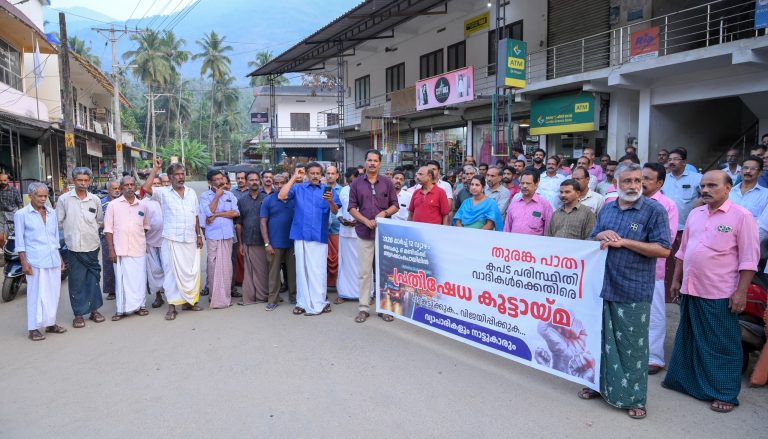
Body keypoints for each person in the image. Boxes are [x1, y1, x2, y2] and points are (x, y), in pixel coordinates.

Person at [581, 163, 671, 420]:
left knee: (632, 346)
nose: (633, 186)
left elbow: (664, 249)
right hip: (603, 285)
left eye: (638, 180)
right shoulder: (607, 208)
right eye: (628, 181)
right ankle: (599, 386)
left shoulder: (654, 210)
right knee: (600, 340)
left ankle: (634, 398)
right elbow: (592, 239)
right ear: (616, 183)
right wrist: (601, 236)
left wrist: (625, 242)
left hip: (633, 286)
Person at [664, 170, 759, 414]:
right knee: (689, 339)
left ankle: (724, 393)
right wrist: (676, 279)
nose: (705, 190)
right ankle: (687, 383)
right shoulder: (695, 214)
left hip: (720, 292)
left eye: (712, 186)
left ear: (728, 188)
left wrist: (741, 292)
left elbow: (749, 260)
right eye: (703, 186)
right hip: (690, 288)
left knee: (722, 344)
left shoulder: (742, 217)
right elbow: (683, 252)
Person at [142, 159, 204, 321]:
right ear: (170, 177)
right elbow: (146, 188)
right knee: (171, 274)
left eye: (182, 174)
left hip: (190, 239)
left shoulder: (191, 193)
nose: (180, 177)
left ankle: (189, 302)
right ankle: (172, 307)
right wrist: (155, 169)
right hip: (171, 240)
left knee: (191, 272)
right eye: (177, 174)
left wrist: (199, 235)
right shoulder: (163, 193)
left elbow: (195, 215)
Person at [278, 162, 340, 316]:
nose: (315, 176)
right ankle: (302, 302)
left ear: (322, 175)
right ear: (306, 174)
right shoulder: (299, 188)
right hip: (301, 235)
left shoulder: (328, 190)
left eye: (318, 173)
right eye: (311, 173)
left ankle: (320, 302)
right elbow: (281, 195)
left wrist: (331, 200)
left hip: (319, 235)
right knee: (302, 270)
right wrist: (294, 177)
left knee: (318, 271)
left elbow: (335, 210)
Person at [348, 150, 399, 323]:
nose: (372, 163)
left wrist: (384, 214)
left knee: (384, 273)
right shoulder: (356, 183)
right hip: (364, 233)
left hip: (384, 234)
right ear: (365, 162)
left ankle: (384, 307)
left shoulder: (387, 183)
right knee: (364, 273)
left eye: (375, 161)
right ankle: (363, 308)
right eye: (369, 160)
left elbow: (395, 205)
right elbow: (352, 208)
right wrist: (364, 220)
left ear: (380, 163)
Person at [15, 182, 66, 341]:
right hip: (35, 260)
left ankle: (50, 323)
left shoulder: (51, 212)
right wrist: (24, 262)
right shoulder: (21, 214)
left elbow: (55, 238)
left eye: (45, 196)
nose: (43, 199)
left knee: (53, 293)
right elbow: (20, 241)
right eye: (40, 196)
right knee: (36, 295)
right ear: (30, 196)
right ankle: (33, 328)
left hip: (53, 258)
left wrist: (60, 257)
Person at [641, 163, 679, 375]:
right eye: (640, 177)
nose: (642, 182)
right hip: (627, 268)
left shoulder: (667, 205)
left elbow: (667, 240)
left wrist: (633, 243)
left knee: (654, 313)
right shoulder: (632, 200)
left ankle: (654, 357)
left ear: (660, 182)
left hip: (653, 268)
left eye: (647, 178)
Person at [56, 167, 105, 328]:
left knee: (93, 279)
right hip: (73, 247)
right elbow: (59, 222)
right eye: (79, 180)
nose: (83, 183)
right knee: (76, 282)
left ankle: (94, 310)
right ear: (73, 180)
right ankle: (78, 314)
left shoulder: (95, 200)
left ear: (90, 181)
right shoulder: (64, 199)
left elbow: (99, 221)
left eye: (86, 180)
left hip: (92, 246)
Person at [104, 176, 150, 321]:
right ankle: (121, 309)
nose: (130, 187)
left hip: (139, 248)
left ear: (135, 187)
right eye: (126, 185)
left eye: (132, 185)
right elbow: (108, 229)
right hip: (120, 250)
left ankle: (140, 306)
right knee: (122, 281)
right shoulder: (113, 205)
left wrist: (135, 235)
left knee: (139, 279)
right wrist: (111, 250)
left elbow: (146, 227)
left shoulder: (143, 206)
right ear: (122, 187)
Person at [199, 170, 240, 309]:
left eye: (221, 179)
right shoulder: (205, 196)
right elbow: (208, 212)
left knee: (226, 266)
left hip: (227, 234)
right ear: (210, 182)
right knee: (213, 265)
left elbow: (235, 212)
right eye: (216, 179)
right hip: (213, 236)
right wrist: (217, 197)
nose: (220, 181)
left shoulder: (230, 195)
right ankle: (214, 296)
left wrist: (217, 215)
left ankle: (225, 297)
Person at [260, 174, 296, 310]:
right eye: (276, 183)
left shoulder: (294, 199)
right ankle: (273, 300)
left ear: (287, 183)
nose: (279, 186)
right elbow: (263, 223)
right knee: (274, 274)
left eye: (282, 183)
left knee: (293, 272)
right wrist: (267, 243)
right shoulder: (268, 200)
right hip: (274, 244)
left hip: (292, 242)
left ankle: (294, 297)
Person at [233, 171, 268, 306]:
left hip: (263, 240)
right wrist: (241, 243)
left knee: (263, 270)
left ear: (259, 182)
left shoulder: (266, 198)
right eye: (251, 180)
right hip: (248, 239)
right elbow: (239, 224)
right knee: (249, 271)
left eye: (256, 180)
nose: (254, 182)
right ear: (247, 183)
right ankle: (250, 297)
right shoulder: (242, 201)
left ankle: (263, 296)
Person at [337, 167, 367, 304]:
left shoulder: (366, 189)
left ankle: (367, 294)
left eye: (353, 181)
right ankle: (344, 293)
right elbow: (339, 211)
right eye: (349, 182)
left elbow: (371, 211)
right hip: (345, 233)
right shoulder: (343, 191)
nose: (351, 184)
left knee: (363, 264)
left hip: (362, 232)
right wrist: (342, 220)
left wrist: (360, 220)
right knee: (345, 264)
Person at [504, 170, 553, 235]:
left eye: (528, 183)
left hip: (535, 244)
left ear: (536, 185)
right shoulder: (514, 204)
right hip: (514, 243)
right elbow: (507, 227)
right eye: (522, 183)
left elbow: (548, 230)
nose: (524, 186)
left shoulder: (545, 205)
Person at [143, 176, 165, 309]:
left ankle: (173, 297)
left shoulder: (166, 199)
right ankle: (158, 296)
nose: (155, 186)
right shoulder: (143, 203)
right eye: (153, 184)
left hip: (166, 242)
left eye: (158, 184)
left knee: (169, 270)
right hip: (150, 242)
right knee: (154, 271)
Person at [100, 180, 121, 301]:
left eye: (118, 188)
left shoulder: (125, 201)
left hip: (122, 237)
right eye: (114, 188)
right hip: (106, 236)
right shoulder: (102, 202)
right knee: (109, 263)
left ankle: (123, 287)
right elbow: (98, 220)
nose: (117, 190)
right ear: (108, 190)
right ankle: (111, 291)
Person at [325, 165, 342, 288]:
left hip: (337, 229)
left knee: (338, 258)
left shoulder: (342, 191)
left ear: (337, 175)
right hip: (323, 230)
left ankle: (338, 284)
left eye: (333, 173)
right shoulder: (320, 188)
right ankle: (325, 284)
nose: (330, 175)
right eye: (328, 173)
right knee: (324, 259)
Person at [0, 172, 23, 246]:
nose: (2, 182)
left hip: (12, 214)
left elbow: (19, 203)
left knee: (11, 236)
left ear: (8, 180)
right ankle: (2, 250)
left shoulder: (14, 190)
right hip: (1, 214)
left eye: (4, 180)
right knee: (0, 236)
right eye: (0, 180)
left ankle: (11, 250)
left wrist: (21, 216)